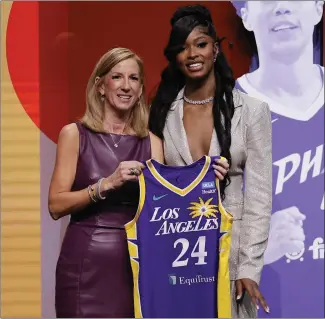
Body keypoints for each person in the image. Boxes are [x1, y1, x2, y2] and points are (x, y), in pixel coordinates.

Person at [48, 47, 228, 318]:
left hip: (138, 266)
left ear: (141, 87)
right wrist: (105, 184)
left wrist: (208, 176)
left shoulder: (153, 144)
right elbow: (55, 205)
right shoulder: (74, 135)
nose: (125, 86)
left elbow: (171, 208)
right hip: (85, 263)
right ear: (100, 85)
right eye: (117, 77)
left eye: (133, 79)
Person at [149, 4, 272, 318]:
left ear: (215, 49)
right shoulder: (163, 113)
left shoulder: (252, 111)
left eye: (200, 44)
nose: (192, 54)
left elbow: (259, 196)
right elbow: (155, 187)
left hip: (231, 256)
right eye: (182, 47)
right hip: (178, 252)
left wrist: (249, 268)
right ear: (175, 57)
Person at [231, 1, 324, 317]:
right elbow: (198, 224)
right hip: (267, 305)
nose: (282, 7)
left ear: (318, 8)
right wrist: (258, 253)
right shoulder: (225, 112)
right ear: (245, 14)